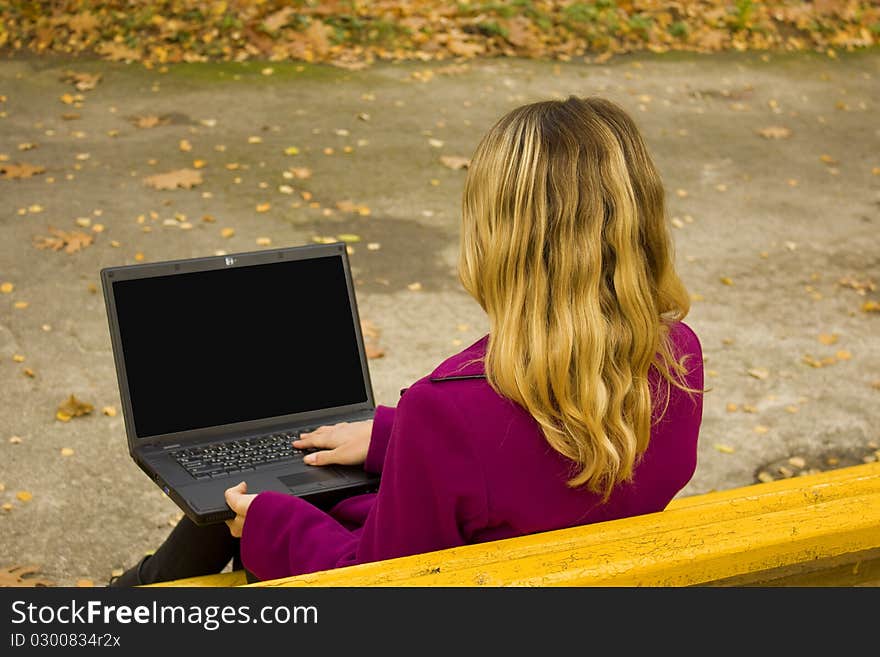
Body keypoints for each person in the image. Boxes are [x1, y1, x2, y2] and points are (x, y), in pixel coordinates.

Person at [110, 95, 703, 586]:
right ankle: (119, 601)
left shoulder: (449, 410)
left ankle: (99, 617)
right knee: (278, 473)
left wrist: (269, 521)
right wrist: (393, 436)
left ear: (499, 236)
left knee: (253, 500)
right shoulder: (678, 358)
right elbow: (530, 462)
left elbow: (365, 588)